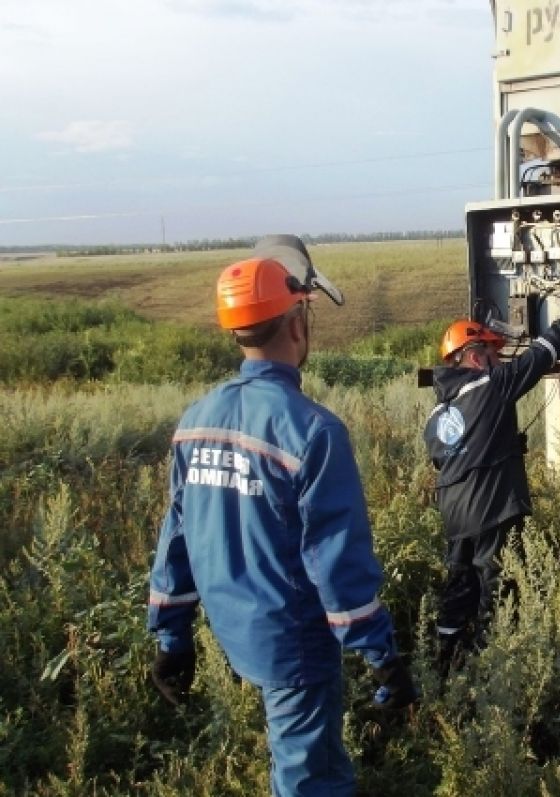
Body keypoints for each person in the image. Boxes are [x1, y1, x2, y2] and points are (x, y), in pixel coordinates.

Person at [146, 234, 417, 797]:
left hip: (235, 630)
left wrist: (171, 638)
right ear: (297, 324)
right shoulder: (313, 431)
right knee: (311, 779)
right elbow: (338, 568)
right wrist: (383, 659)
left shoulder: (197, 420)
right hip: (293, 643)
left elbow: (175, 538)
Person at [424, 315, 560, 672]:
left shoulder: (437, 414)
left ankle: (444, 664)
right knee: (496, 584)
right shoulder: (489, 385)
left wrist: (504, 444)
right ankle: (491, 665)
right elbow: (538, 358)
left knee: (459, 585)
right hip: (491, 506)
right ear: (476, 357)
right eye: (495, 355)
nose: (500, 362)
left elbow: (446, 457)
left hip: (454, 512)